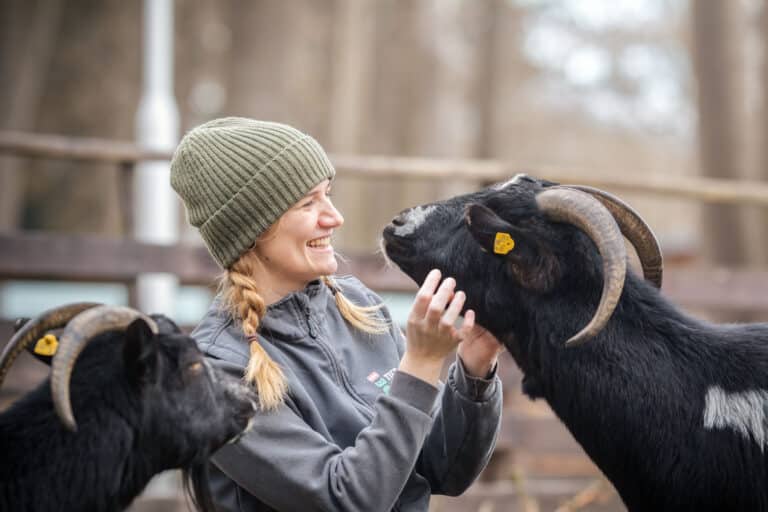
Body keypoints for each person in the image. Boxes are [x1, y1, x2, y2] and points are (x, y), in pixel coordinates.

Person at [170, 117, 504, 512]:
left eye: (327, 195)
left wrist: (475, 369)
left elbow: (443, 469)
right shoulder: (216, 372)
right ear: (251, 229)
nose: (334, 217)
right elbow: (346, 500)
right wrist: (421, 364)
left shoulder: (360, 306)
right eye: (308, 203)